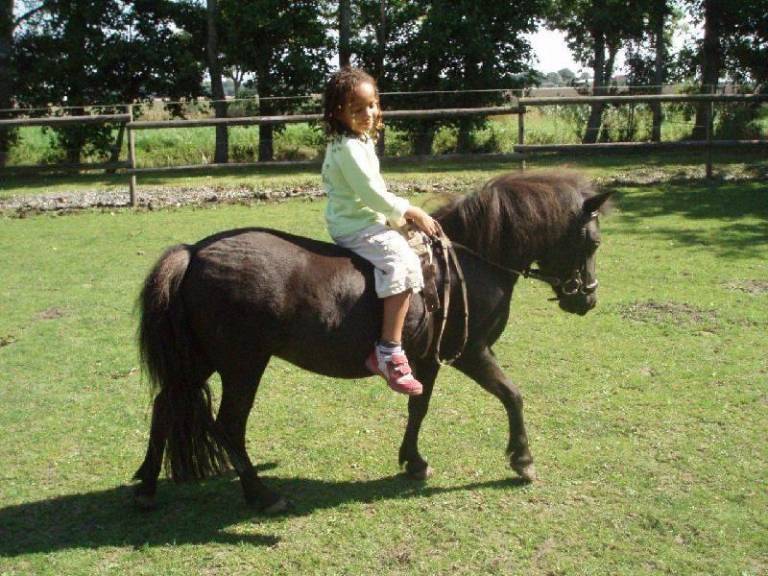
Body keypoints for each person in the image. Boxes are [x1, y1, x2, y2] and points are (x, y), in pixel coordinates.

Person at [322, 67, 440, 396]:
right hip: (356, 224)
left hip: (362, 216)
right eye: (356, 109)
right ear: (338, 112)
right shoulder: (348, 148)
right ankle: (388, 351)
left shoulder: (356, 141)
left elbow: (374, 192)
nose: (367, 114)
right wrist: (409, 210)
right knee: (402, 262)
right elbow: (371, 194)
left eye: (371, 105)